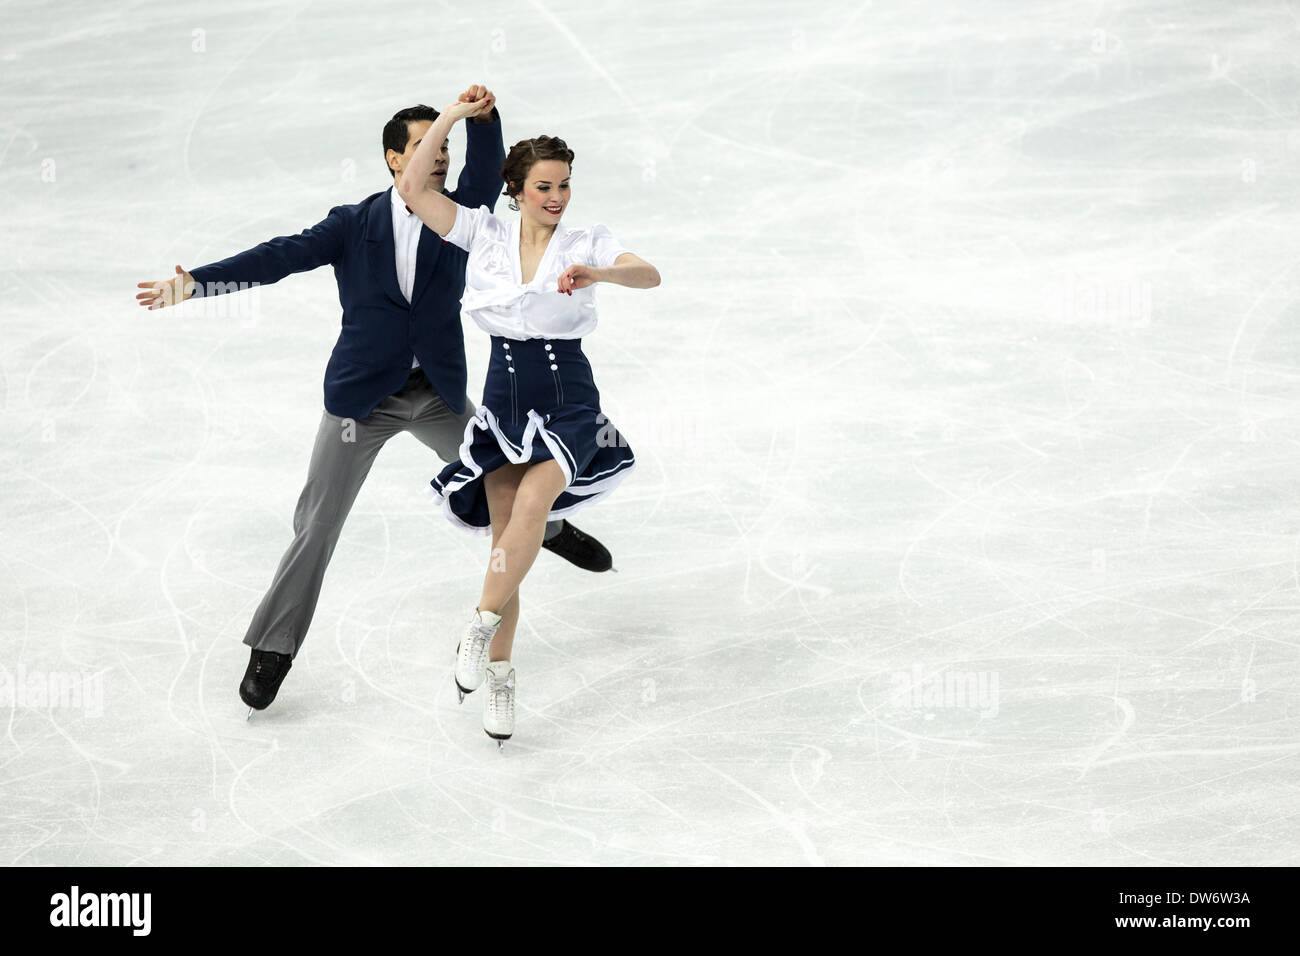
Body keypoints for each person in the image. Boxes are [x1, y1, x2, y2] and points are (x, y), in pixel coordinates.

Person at [134, 85, 616, 717]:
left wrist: (483, 118)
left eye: (444, 148)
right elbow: (279, 257)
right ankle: (274, 645)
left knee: (507, 477)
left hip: (438, 394)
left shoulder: (463, 216)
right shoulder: (352, 225)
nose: (439, 156)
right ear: (394, 159)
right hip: (361, 402)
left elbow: (484, 164)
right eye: (425, 147)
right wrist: (197, 284)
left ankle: (546, 527)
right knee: (317, 523)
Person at [397, 92, 660, 747]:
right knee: (505, 542)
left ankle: (477, 627)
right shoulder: (482, 232)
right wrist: (453, 119)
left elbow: (648, 274)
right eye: (544, 186)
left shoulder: (585, 242)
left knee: (535, 505)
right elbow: (412, 189)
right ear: (516, 189)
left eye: (564, 185)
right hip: (502, 401)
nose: (557, 197)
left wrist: (598, 273)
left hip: (568, 397)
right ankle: (500, 675)